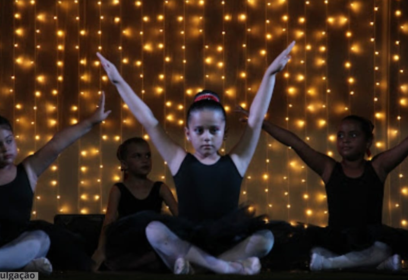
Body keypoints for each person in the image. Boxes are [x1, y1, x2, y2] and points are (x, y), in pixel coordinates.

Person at [96, 41, 295, 275]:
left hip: (227, 241)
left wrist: (270, 75)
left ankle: (201, 267)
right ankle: (224, 268)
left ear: (225, 132)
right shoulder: (180, 160)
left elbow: (256, 120)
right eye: (199, 131)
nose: (207, 137)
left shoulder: (237, 161)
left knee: (266, 238)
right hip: (188, 241)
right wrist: (118, 81)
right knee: (153, 230)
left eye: (214, 130)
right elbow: (149, 121)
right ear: (187, 133)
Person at [236, 107, 408, 271]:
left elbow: (404, 146)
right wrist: (262, 123)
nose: (345, 140)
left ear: (368, 141)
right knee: (315, 251)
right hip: (337, 241)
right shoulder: (329, 168)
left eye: (353, 135)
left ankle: (333, 265)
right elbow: (296, 143)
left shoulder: (378, 168)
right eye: (340, 135)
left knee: (383, 248)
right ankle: (374, 265)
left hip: (369, 241)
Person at [0, 93, 110, 273]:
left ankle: (3, 270)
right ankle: (12, 272)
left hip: (19, 245)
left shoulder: (27, 170)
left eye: (9, 141)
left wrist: (91, 121)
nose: (5, 149)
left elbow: (57, 144)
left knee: (41, 239)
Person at [91, 137, 178, 271]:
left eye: (147, 155)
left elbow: (179, 216)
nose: (145, 160)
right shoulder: (118, 189)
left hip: (152, 240)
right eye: (137, 156)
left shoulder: (160, 187)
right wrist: (101, 250)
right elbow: (109, 220)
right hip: (129, 241)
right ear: (124, 164)